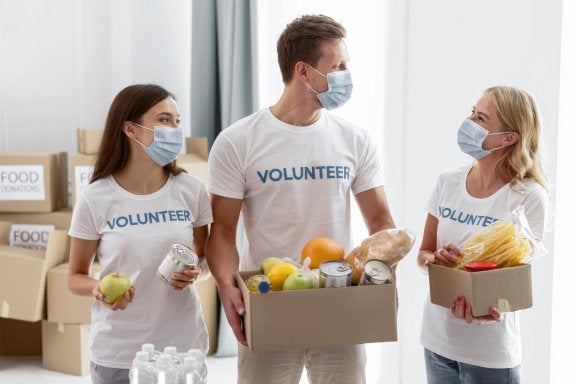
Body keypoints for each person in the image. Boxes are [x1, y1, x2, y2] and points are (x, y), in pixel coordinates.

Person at [206, 14, 396, 384]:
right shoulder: (237, 141)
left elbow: (380, 222)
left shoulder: (355, 140)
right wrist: (228, 286)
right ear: (304, 72)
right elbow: (223, 232)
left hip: (339, 303)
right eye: (337, 65)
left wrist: (384, 275)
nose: (346, 75)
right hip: (268, 302)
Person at [67, 84, 212, 384]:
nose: (174, 129)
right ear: (130, 130)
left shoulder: (191, 190)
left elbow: (205, 257)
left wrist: (197, 271)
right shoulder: (96, 197)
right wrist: (97, 289)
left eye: (177, 121)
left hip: (182, 348)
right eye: (163, 120)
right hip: (119, 350)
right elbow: (75, 277)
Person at [417, 86, 549, 383]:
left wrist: (492, 310)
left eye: (481, 118)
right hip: (437, 343)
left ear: (509, 138)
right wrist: (434, 260)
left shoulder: (528, 196)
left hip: (490, 354)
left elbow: (514, 287)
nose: (469, 122)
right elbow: (423, 254)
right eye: (472, 112)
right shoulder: (447, 182)